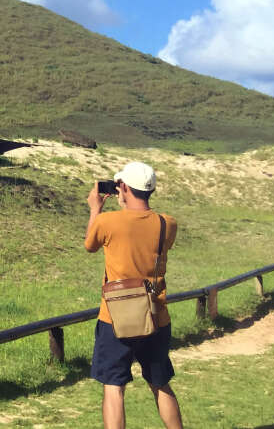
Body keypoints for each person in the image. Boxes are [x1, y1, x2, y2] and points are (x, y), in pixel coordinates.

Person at [84, 161, 183, 429]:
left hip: (115, 318)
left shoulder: (107, 221)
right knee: (160, 383)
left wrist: (96, 208)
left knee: (113, 388)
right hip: (155, 316)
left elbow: (89, 245)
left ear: (124, 187)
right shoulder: (167, 224)